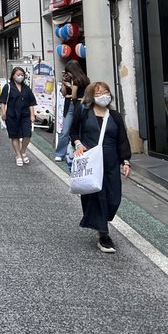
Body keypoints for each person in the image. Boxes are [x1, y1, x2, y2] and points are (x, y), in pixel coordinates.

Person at [70, 81, 132, 253]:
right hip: (91, 162)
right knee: (96, 197)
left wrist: (125, 161)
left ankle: (103, 223)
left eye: (105, 92)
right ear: (91, 96)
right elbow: (73, 131)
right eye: (98, 94)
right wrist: (78, 144)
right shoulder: (83, 112)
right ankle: (103, 234)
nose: (103, 96)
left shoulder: (115, 116)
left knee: (113, 198)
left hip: (111, 162)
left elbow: (122, 139)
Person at [0, 67, 37, 166]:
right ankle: (18, 155)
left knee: (27, 134)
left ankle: (23, 151)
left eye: (22, 75)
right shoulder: (8, 87)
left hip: (25, 114)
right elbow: (2, 102)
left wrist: (32, 115)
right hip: (12, 115)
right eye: (18, 75)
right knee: (14, 135)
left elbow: (31, 102)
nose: (20, 77)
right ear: (13, 76)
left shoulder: (26, 88)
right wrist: (3, 113)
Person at [56, 60, 89, 161]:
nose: (67, 74)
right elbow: (64, 93)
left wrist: (70, 87)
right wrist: (63, 83)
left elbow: (73, 96)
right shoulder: (82, 78)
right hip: (73, 104)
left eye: (68, 72)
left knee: (67, 130)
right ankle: (67, 152)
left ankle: (61, 153)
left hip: (75, 104)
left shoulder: (78, 80)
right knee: (70, 130)